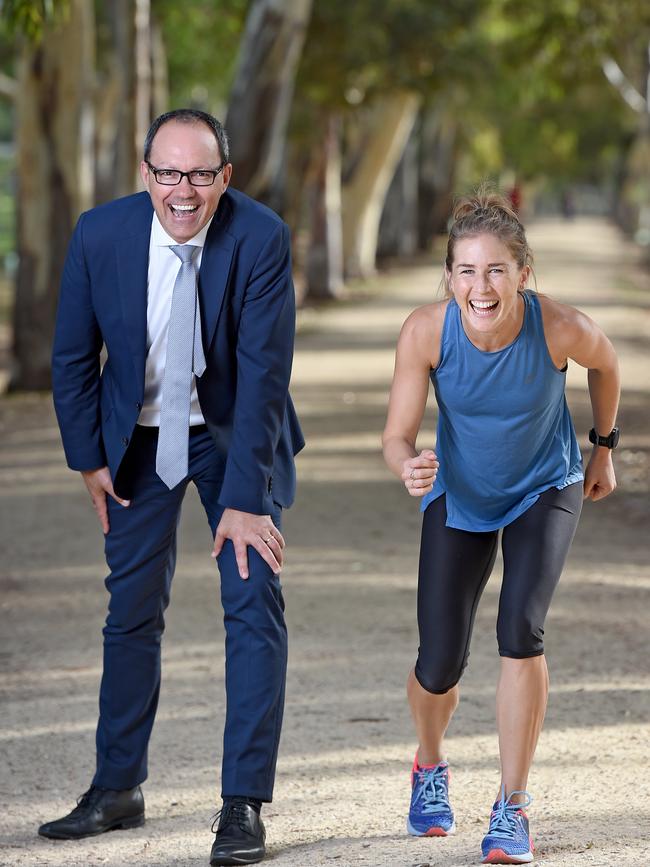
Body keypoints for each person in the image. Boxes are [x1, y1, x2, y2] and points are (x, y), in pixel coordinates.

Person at [40, 108, 304, 867]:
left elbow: (263, 376)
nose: (182, 191)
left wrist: (248, 500)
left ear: (225, 176)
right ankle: (117, 786)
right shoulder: (100, 233)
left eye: (199, 174)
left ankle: (243, 804)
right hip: (138, 437)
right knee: (130, 609)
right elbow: (70, 356)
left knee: (252, 601)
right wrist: (88, 457)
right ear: (145, 171)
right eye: (167, 172)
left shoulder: (260, 236)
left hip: (231, 439)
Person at [382, 189, 620, 864]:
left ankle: (511, 805)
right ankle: (429, 765)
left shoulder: (559, 327)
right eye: (465, 270)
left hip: (545, 486)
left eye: (495, 271)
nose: (479, 286)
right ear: (450, 275)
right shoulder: (426, 332)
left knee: (521, 628)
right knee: (439, 662)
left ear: (523, 273)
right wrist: (408, 465)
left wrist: (604, 446)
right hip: (458, 493)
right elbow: (396, 436)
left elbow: (607, 363)